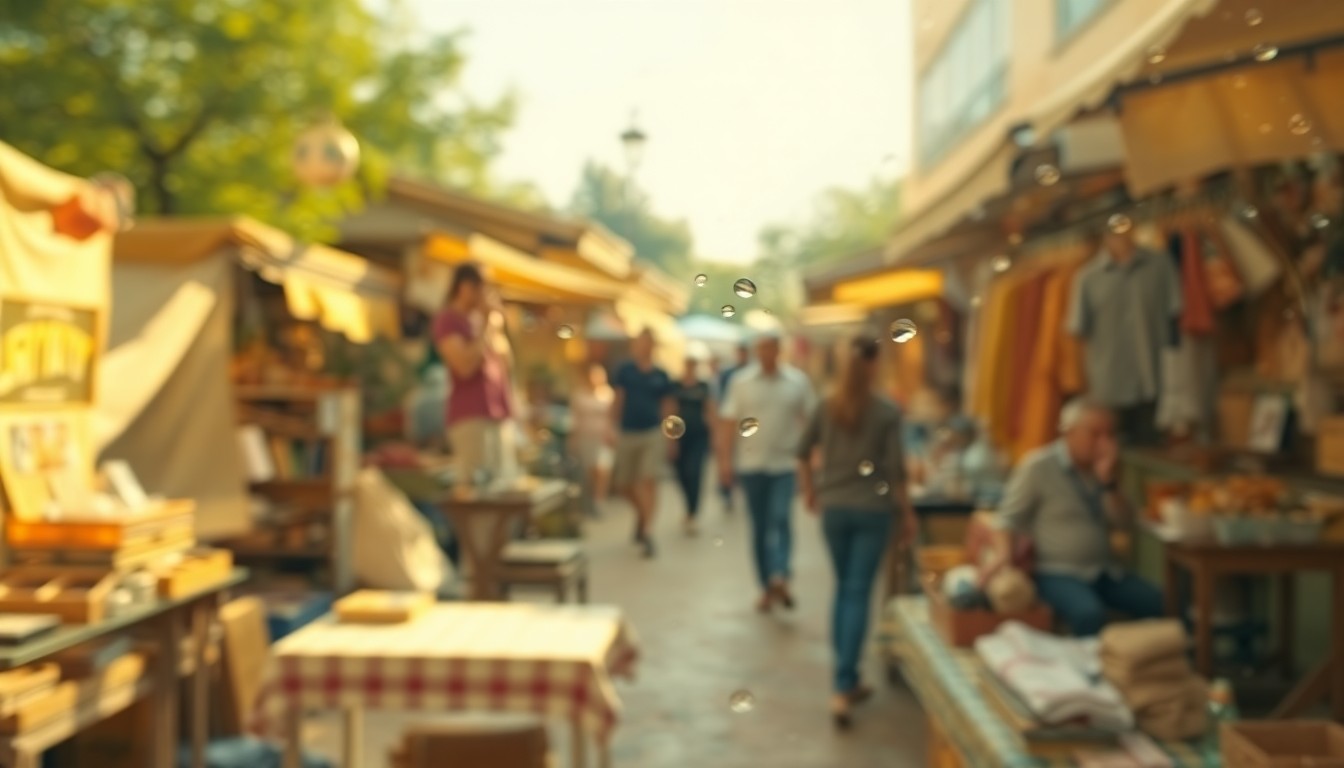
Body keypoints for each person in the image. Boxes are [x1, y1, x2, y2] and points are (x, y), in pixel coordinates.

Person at [797, 336, 916, 728]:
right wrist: (909, 513)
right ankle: (843, 683)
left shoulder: (827, 405)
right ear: (875, 363)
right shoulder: (885, 411)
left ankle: (844, 679)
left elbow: (801, 451)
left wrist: (811, 491)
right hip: (872, 510)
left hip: (835, 509)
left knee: (844, 587)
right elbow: (897, 471)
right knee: (857, 592)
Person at [993, 397, 1164, 636]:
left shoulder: (1106, 467)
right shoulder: (1038, 467)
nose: (1104, 443)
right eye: (1095, 434)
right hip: (1055, 571)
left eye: (1110, 435)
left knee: (1158, 601)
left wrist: (1109, 482)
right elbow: (1007, 519)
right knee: (1089, 613)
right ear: (1069, 433)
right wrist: (1004, 561)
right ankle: (1089, 670)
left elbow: (1124, 522)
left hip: (1103, 570)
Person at [718, 330, 816, 611]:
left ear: (779, 350)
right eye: (761, 348)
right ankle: (766, 585)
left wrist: (812, 459)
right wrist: (724, 461)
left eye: (770, 348)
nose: (765, 353)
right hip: (751, 466)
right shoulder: (741, 382)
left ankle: (780, 574)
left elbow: (810, 422)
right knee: (759, 528)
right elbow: (728, 422)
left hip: (785, 464)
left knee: (781, 518)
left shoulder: (797, 382)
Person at [433, 263, 516, 483]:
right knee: (479, 489)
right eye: (483, 288)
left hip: (497, 413)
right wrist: (487, 325)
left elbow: (507, 363)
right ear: (465, 287)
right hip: (471, 415)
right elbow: (464, 367)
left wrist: (495, 326)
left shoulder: (482, 321)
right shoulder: (448, 320)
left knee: (502, 485)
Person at [610, 329, 674, 558]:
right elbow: (618, 400)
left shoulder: (661, 374)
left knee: (647, 480)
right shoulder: (625, 371)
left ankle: (648, 531)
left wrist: (670, 435)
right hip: (628, 433)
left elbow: (668, 405)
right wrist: (612, 427)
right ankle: (642, 514)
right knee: (624, 484)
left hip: (652, 433)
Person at [670, 345, 715, 536]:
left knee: (694, 472)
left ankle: (692, 512)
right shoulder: (676, 386)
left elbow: (710, 409)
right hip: (679, 437)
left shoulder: (703, 386)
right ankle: (688, 506)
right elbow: (670, 410)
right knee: (680, 474)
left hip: (698, 436)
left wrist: (716, 437)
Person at [568, 363, 615, 517]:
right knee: (589, 471)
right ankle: (590, 501)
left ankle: (599, 500)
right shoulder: (579, 394)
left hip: (603, 438)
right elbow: (575, 418)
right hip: (586, 437)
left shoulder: (609, 394)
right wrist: (573, 438)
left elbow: (613, 417)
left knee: (602, 469)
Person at [715, 343, 751, 511]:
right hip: (731, 421)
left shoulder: (752, 373)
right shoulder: (728, 374)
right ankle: (727, 490)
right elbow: (721, 400)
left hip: (748, 423)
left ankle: (737, 487)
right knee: (727, 455)